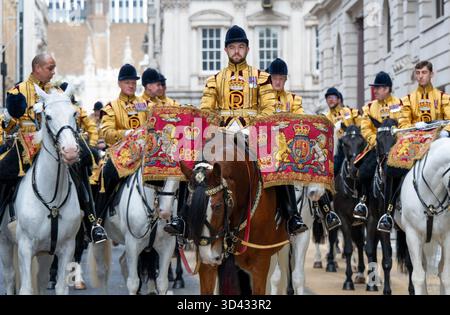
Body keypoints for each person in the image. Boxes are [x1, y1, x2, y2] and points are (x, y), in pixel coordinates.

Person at [165, 25, 307, 236]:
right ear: (226, 50)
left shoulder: (261, 78)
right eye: (232, 47)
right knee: (195, 164)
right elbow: (206, 109)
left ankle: (291, 214)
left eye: (241, 47)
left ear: (247, 50)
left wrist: (251, 127)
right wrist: (218, 127)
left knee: (276, 161)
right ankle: (183, 217)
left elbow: (269, 108)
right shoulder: (214, 80)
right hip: (221, 135)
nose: (237, 51)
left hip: (252, 133)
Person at [267, 58, 341, 231]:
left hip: (291, 147)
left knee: (313, 160)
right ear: (270, 79)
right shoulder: (261, 100)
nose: (278, 81)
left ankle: (325, 210)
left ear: (285, 80)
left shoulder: (294, 99)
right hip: (268, 147)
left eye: (281, 78)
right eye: (275, 77)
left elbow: (301, 120)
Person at [377, 61, 450, 232]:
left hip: (440, 139)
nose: (420, 76)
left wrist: (445, 131)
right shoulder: (408, 99)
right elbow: (402, 122)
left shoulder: (443, 98)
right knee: (392, 165)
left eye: (424, 72)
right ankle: (388, 212)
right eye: (417, 73)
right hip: (416, 141)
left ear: (431, 74)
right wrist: (413, 128)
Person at [95, 64, 150, 229]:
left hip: (145, 150)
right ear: (119, 83)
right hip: (121, 152)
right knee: (106, 174)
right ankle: (98, 221)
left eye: (133, 82)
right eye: (127, 82)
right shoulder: (111, 107)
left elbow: (155, 119)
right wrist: (125, 134)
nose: (131, 85)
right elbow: (105, 131)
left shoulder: (144, 104)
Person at [353, 72, 403, 223]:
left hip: (396, 146)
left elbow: (403, 123)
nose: (375, 91)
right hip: (376, 146)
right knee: (363, 171)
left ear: (387, 89)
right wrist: (377, 141)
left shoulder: (400, 104)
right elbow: (365, 128)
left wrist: (395, 141)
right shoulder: (369, 107)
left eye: (378, 88)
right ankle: (363, 202)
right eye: (375, 88)